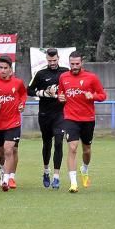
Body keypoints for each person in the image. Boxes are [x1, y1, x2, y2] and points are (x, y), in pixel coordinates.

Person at [57, 51, 107, 193]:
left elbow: (103, 95)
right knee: (72, 148)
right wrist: (60, 98)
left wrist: (93, 96)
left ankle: (84, 169)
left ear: (82, 63)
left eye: (77, 64)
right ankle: (73, 183)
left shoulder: (91, 78)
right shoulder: (63, 77)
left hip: (88, 119)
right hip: (70, 118)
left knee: (86, 150)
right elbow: (61, 95)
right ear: (69, 63)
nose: (74, 66)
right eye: (72, 64)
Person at [0, 56, 27, 192]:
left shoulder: (18, 83)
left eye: (5, 68)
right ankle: (2, 172)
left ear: (10, 69)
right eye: (0, 68)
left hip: (13, 122)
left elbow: (23, 95)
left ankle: (6, 179)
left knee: (9, 149)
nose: (2, 70)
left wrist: (22, 104)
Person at [28, 47, 68, 188]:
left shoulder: (65, 72)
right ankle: (46, 171)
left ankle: (56, 177)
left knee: (58, 142)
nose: (52, 62)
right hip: (45, 115)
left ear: (58, 58)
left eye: (54, 60)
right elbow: (29, 90)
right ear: (46, 59)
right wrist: (43, 93)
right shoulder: (40, 74)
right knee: (47, 144)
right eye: (50, 60)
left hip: (60, 114)